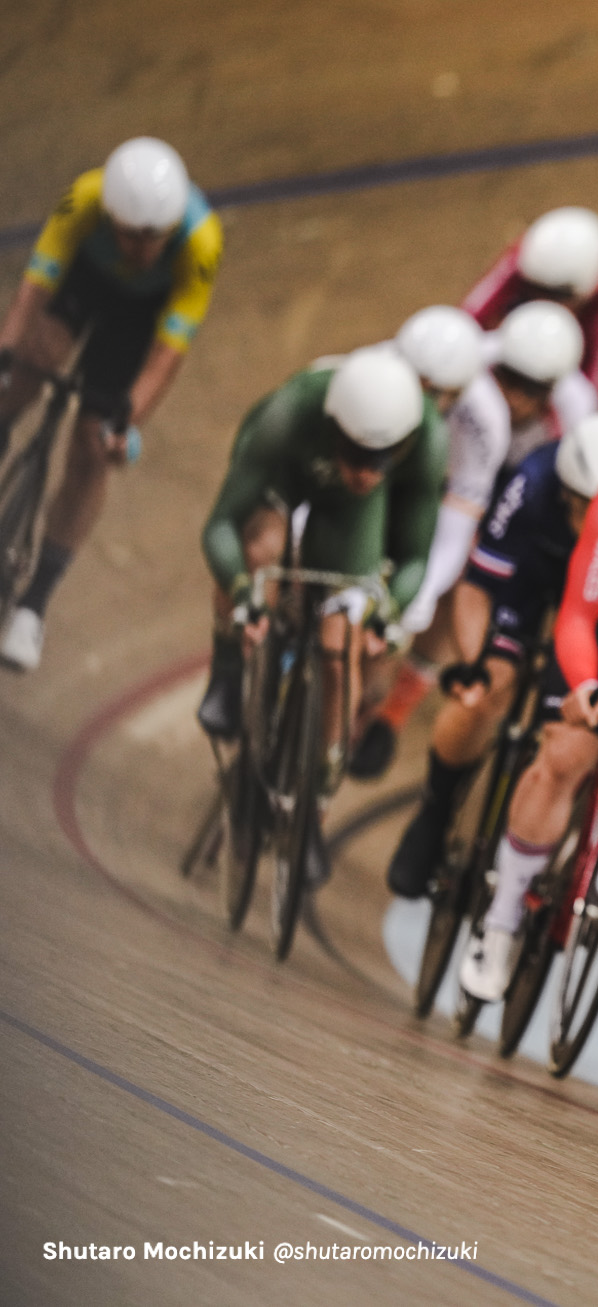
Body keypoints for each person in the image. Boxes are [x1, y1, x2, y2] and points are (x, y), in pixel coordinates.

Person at [386, 421, 598, 900]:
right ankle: (437, 809)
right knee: (490, 686)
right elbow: (478, 585)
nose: (588, 515)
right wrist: (478, 660)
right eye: (579, 506)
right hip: (538, 573)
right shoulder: (534, 482)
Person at [194, 348, 443, 879]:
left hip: (351, 518)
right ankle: (228, 672)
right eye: (355, 454)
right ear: (335, 426)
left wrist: (385, 611)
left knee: (339, 647)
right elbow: (219, 525)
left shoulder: (427, 439)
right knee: (259, 550)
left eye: (380, 460)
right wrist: (243, 595)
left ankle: (311, 807)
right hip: (286, 472)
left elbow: (417, 556)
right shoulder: (292, 412)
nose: (365, 471)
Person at [451, 412, 598, 994]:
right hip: (597, 599)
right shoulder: (576, 503)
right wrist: (581, 686)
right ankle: (501, 918)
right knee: (565, 751)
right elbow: (576, 616)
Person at [0, 137, 224, 670]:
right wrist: (7, 349)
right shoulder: (85, 198)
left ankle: (33, 606)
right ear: (110, 215)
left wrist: (126, 420)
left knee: (91, 450)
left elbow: (168, 353)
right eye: (129, 235)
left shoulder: (201, 241)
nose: (141, 249)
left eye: (154, 239)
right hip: (84, 282)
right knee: (34, 356)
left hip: (138, 318)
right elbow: (36, 285)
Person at [351, 301, 588, 777]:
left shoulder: (574, 411)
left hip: (517, 491)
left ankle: (396, 709)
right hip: (457, 474)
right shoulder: (471, 369)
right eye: (508, 378)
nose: (515, 397)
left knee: (466, 578)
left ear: (552, 390)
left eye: (532, 389)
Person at [462, 205, 598, 400]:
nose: (543, 302)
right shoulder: (523, 258)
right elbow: (465, 323)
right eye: (536, 290)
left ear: (585, 294)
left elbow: (593, 395)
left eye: (557, 296)